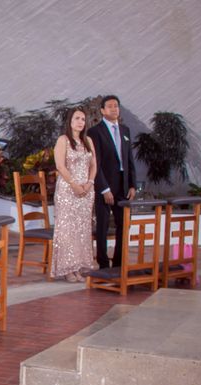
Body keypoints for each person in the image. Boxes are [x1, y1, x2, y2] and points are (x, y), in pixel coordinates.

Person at [87, 95, 137, 270]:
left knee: (123, 224)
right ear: (102, 110)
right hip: (105, 186)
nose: (114, 109)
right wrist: (104, 188)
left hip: (123, 185)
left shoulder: (125, 130)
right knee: (102, 225)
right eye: (110, 106)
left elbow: (129, 159)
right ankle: (103, 263)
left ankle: (118, 263)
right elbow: (96, 163)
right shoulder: (94, 132)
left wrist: (132, 184)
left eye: (116, 106)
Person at [50, 106, 97, 282]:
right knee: (67, 229)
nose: (80, 122)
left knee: (82, 230)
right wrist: (74, 184)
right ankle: (67, 268)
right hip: (68, 191)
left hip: (86, 191)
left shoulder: (88, 141)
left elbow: (94, 165)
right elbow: (60, 166)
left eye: (83, 119)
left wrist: (89, 183)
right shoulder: (63, 140)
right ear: (70, 121)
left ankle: (79, 266)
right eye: (77, 118)